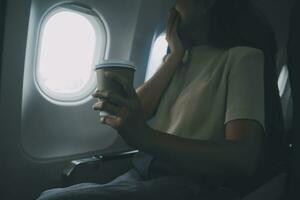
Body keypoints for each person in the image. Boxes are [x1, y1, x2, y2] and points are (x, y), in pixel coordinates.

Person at [37, 0, 277, 199]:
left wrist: (146, 137)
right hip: (142, 174)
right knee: (50, 194)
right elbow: (137, 112)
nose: (172, 6)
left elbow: (243, 158)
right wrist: (174, 55)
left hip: (190, 184)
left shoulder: (243, 58)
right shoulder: (180, 56)